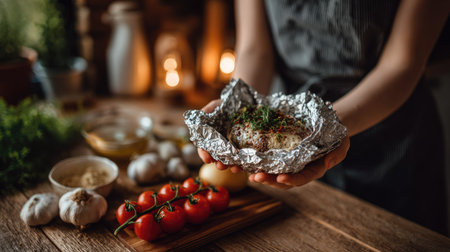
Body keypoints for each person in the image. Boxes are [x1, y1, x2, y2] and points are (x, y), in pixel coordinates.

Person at [198, 0, 449, 234]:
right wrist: (236, 106)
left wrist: (328, 131)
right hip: (299, 143)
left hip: (394, 145)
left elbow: (402, 64)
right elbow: (254, 49)